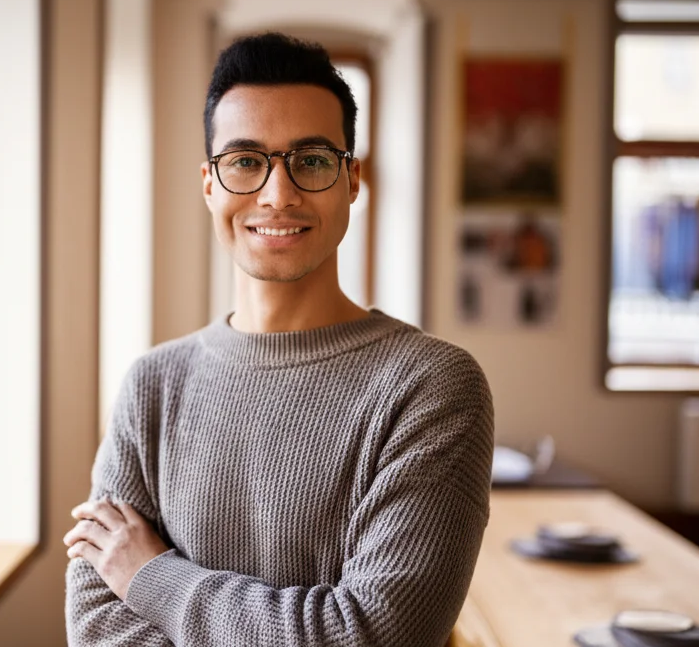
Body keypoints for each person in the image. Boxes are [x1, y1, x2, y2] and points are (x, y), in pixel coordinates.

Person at [64, 32, 494, 647]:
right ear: (210, 185)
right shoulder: (152, 385)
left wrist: (152, 577)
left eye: (312, 160)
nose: (277, 194)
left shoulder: (431, 385)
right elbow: (99, 627)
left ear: (352, 182)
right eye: (245, 161)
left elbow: (371, 635)